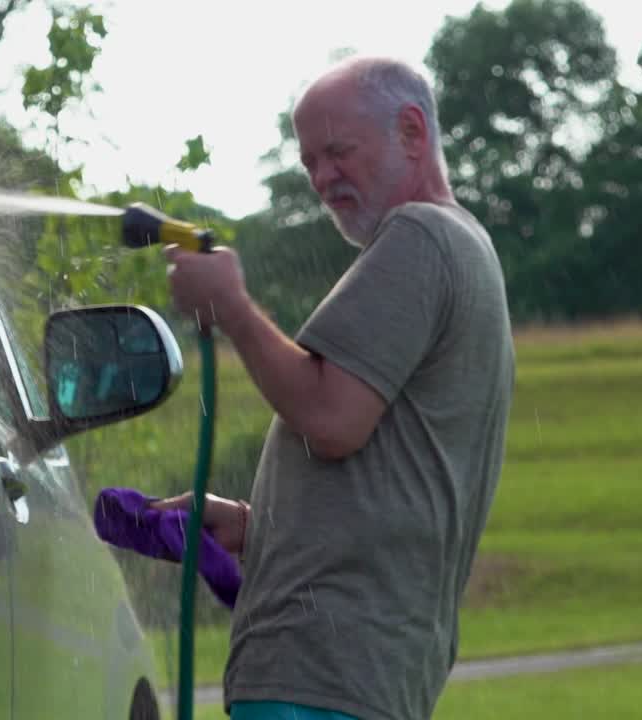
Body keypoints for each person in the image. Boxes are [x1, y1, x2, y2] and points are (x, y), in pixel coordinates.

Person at [152, 55, 516, 720]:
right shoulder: (465, 250)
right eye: (309, 162)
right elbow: (398, 475)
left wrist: (231, 306)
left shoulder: (420, 235)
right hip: (361, 675)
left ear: (411, 132)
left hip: (321, 674)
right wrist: (261, 529)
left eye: (338, 152)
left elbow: (331, 419)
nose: (322, 179)